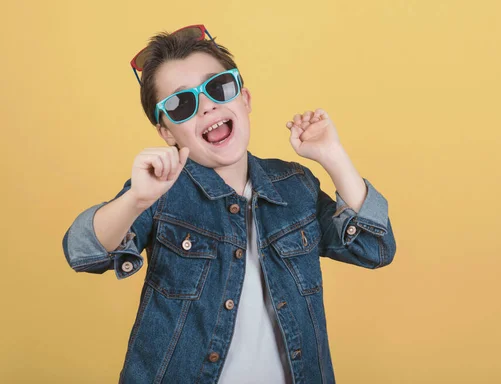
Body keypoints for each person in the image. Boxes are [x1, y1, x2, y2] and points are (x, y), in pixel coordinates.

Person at [62, 24, 396, 384]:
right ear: (167, 132)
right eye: (181, 103)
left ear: (245, 99)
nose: (206, 106)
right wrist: (135, 200)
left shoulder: (295, 186)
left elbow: (375, 248)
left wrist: (333, 156)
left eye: (218, 87)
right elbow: (82, 251)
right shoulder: (160, 192)